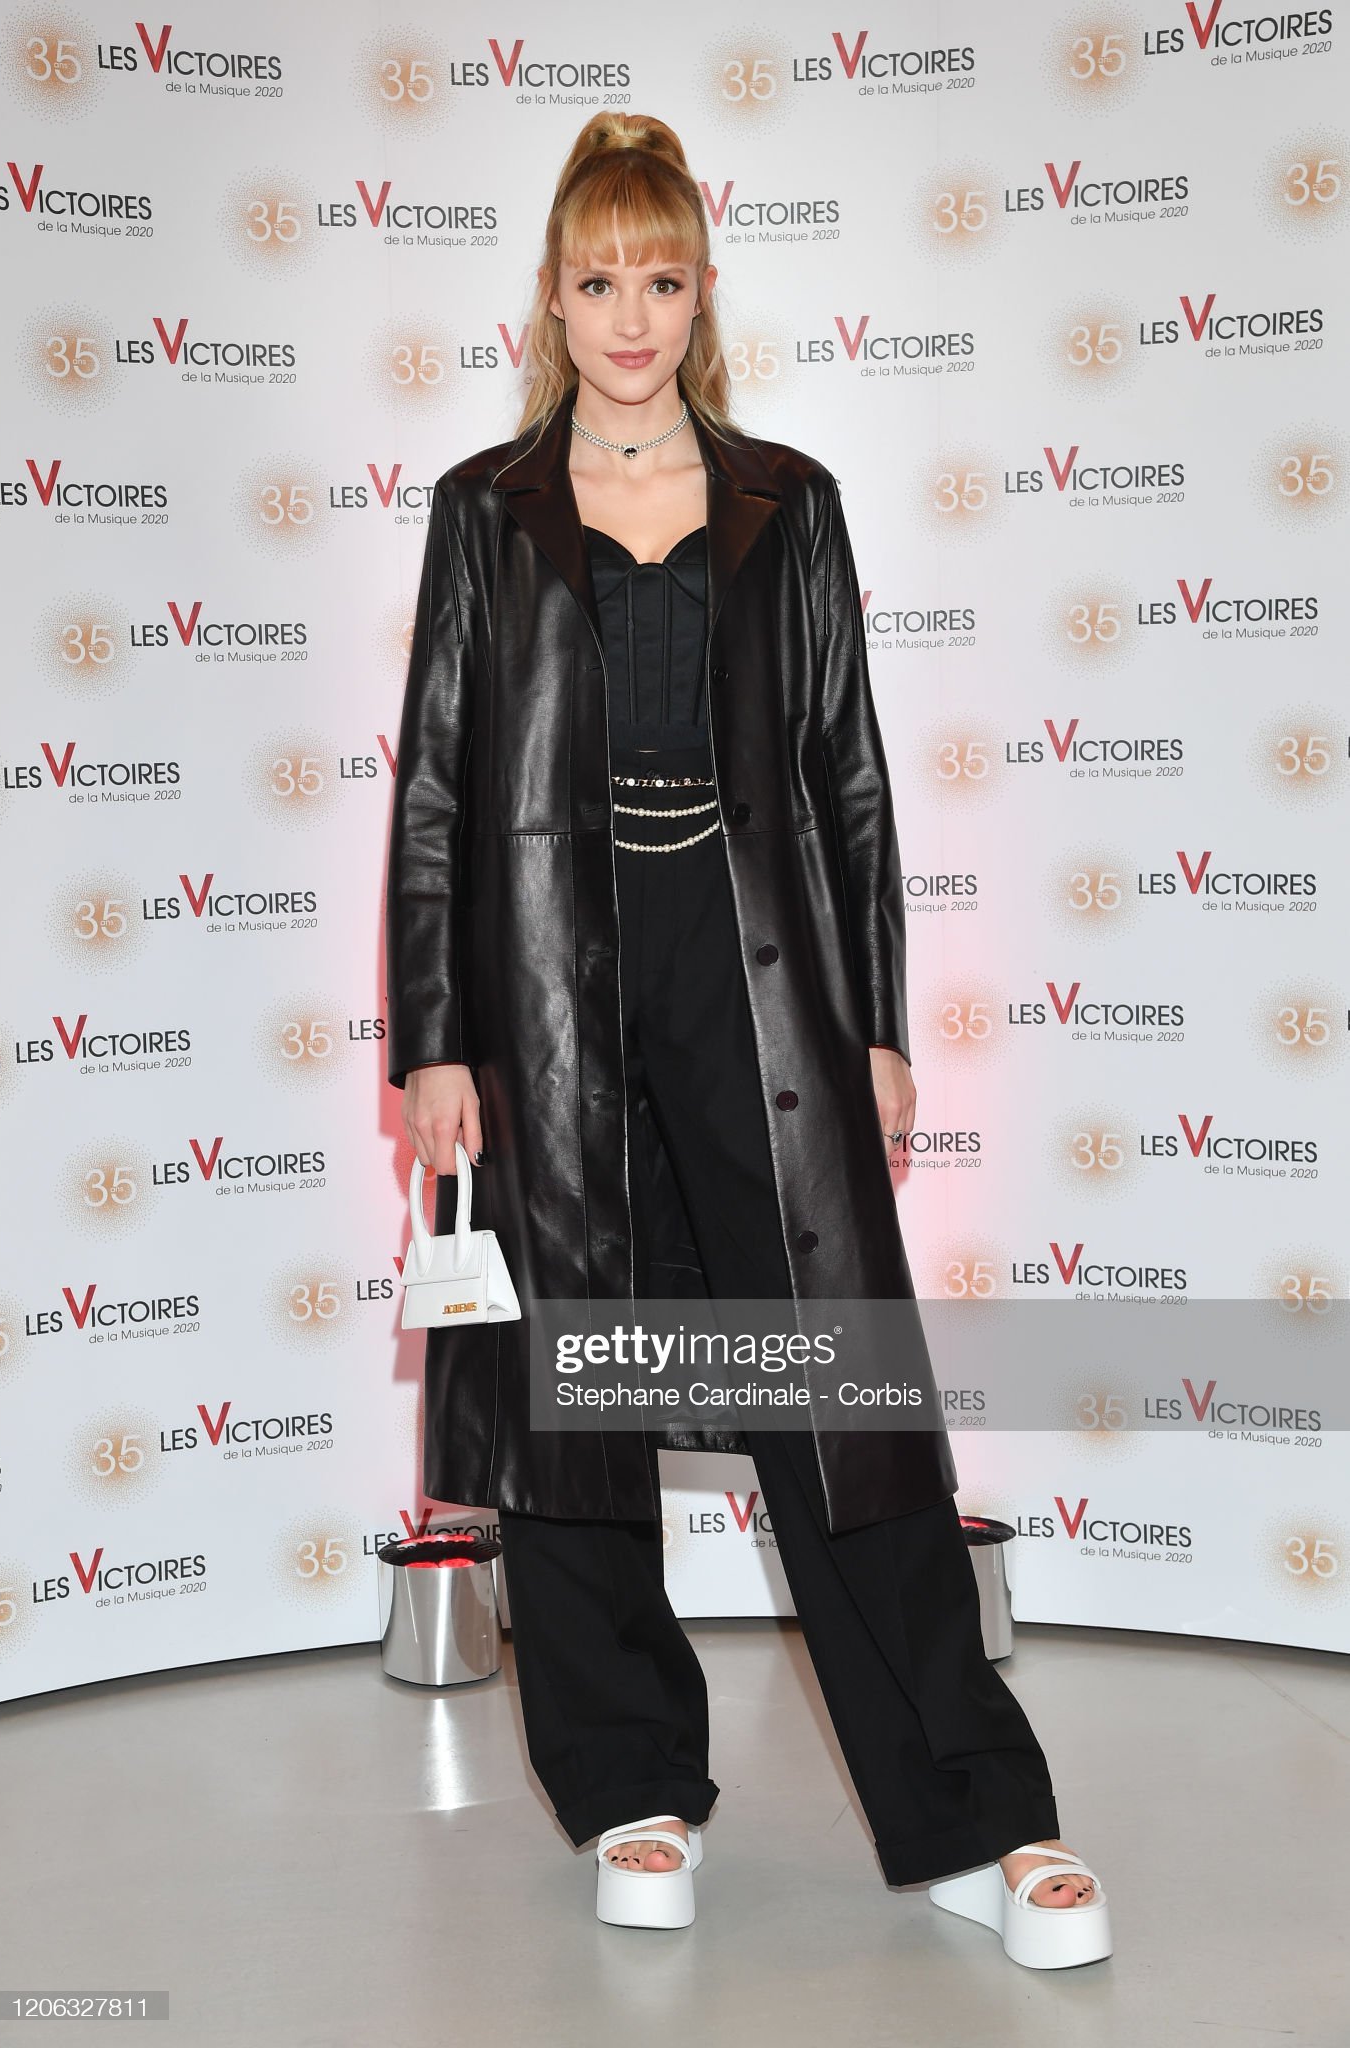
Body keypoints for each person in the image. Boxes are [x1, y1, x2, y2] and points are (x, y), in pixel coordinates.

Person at [385, 111, 1111, 1970]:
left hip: (756, 977)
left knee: (845, 1403)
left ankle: (977, 1811)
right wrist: (436, 1033)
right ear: (552, 300)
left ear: (702, 293)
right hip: (544, 992)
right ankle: (629, 1785)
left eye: (662, 277)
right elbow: (438, 785)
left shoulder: (789, 497)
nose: (630, 315)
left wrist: (869, 1020)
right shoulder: (483, 508)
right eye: (597, 279)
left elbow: (847, 776)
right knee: (574, 1394)